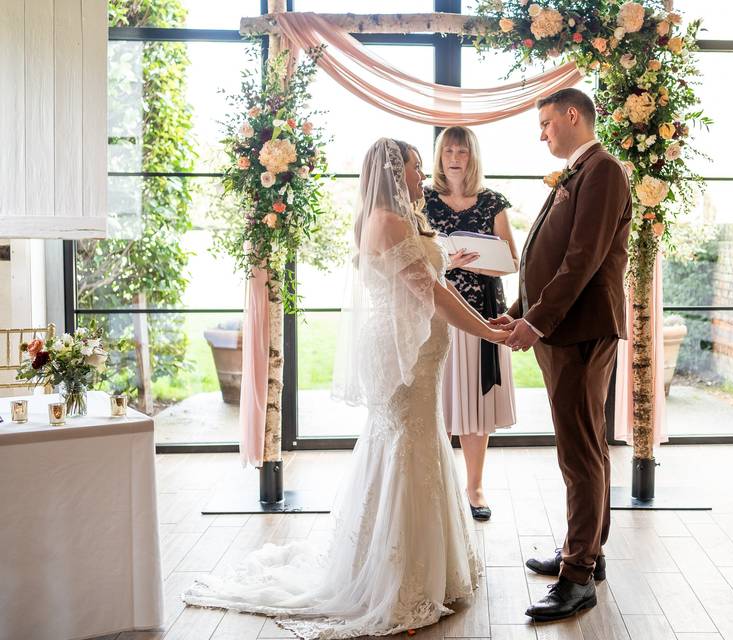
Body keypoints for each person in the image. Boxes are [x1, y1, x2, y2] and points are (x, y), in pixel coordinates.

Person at [184, 138, 510, 639]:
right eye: (415, 166)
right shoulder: (388, 221)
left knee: (413, 439)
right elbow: (434, 292)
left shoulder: (396, 217)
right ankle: (400, 576)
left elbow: (429, 287)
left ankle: (422, 567)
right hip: (406, 350)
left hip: (417, 347)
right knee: (408, 441)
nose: (421, 175)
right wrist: (488, 329)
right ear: (391, 171)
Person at [492, 88, 632, 622]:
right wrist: (519, 309)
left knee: (579, 451)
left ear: (574, 116)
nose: (542, 133)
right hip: (561, 328)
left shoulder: (604, 171)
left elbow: (582, 259)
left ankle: (577, 578)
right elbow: (543, 256)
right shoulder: (580, 171)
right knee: (586, 446)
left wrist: (538, 321)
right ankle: (586, 553)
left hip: (579, 330)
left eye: (547, 122)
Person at [424, 125, 520, 522]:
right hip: (436, 311)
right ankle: (437, 485)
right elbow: (416, 253)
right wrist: (448, 260)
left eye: (462, 150)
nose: (455, 157)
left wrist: (478, 261)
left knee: (476, 403)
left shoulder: (493, 201)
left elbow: (513, 261)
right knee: (439, 400)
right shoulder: (424, 198)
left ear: (472, 155)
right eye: (448, 150)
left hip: (482, 310)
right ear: (439, 155)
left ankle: (475, 485)